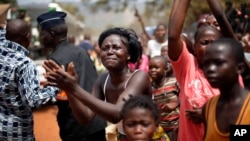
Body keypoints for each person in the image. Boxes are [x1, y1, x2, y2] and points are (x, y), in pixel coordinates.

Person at [43, 27, 152, 141]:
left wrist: (74, 88)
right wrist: (69, 91)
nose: (110, 51)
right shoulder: (103, 79)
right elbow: (85, 118)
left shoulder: (139, 77)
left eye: (116, 47)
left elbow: (117, 114)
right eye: (105, 48)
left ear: (128, 55)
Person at [36, 11, 107, 141]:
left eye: (42, 33)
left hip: (76, 126)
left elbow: (60, 96)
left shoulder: (54, 60)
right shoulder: (80, 51)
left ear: (51, 35)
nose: (41, 38)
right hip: (96, 120)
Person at [0, 13, 58, 141]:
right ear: (26, 37)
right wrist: (55, 87)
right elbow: (33, 100)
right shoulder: (24, 64)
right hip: (17, 133)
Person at [202, 38, 250, 141]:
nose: (210, 69)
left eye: (218, 63)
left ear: (240, 68)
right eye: (206, 64)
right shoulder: (209, 107)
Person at [148, 56, 180, 140]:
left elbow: (186, 98)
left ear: (165, 69)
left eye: (156, 67)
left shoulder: (174, 82)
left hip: (177, 127)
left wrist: (176, 103)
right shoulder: (149, 87)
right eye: (150, 68)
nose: (152, 70)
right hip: (161, 130)